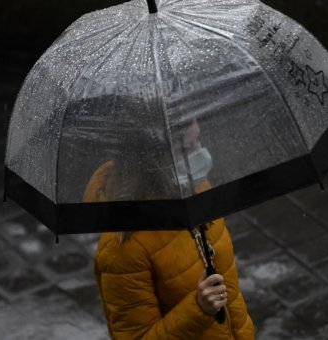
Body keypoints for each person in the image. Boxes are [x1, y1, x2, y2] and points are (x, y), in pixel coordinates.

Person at [83, 119, 254, 339]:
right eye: (186, 148)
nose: (200, 153)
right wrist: (198, 309)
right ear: (153, 158)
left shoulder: (198, 187)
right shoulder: (123, 249)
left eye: (198, 140)